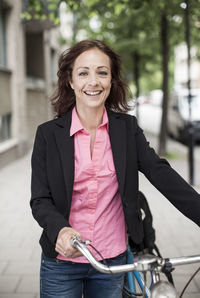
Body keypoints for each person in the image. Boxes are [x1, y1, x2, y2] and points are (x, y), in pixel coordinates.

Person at [30, 40, 200, 298]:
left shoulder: (127, 129)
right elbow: (40, 200)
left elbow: (161, 173)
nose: (93, 81)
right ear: (70, 81)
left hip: (113, 259)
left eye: (102, 72)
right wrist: (60, 230)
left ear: (112, 80)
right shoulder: (47, 135)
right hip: (61, 263)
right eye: (83, 73)